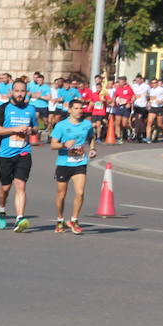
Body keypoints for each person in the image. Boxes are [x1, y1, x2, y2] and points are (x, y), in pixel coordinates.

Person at [0, 78, 39, 233]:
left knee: (21, 185)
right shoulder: (2, 108)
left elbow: (36, 127)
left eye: (22, 91)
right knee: (5, 188)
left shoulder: (31, 109)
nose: (19, 94)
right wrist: (15, 129)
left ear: (26, 93)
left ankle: (20, 218)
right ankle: (1, 209)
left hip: (24, 152)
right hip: (5, 154)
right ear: (11, 92)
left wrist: (31, 131)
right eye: (17, 91)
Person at [50, 98, 96, 234]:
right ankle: (60, 219)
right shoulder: (61, 126)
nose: (79, 111)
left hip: (80, 162)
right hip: (64, 163)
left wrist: (93, 149)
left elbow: (91, 137)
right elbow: (53, 145)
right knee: (61, 194)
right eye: (76, 108)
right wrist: (64, 145)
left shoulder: (87, 124)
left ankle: (74, 220)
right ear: (69, 110)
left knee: (80, 192)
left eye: (81, 108)